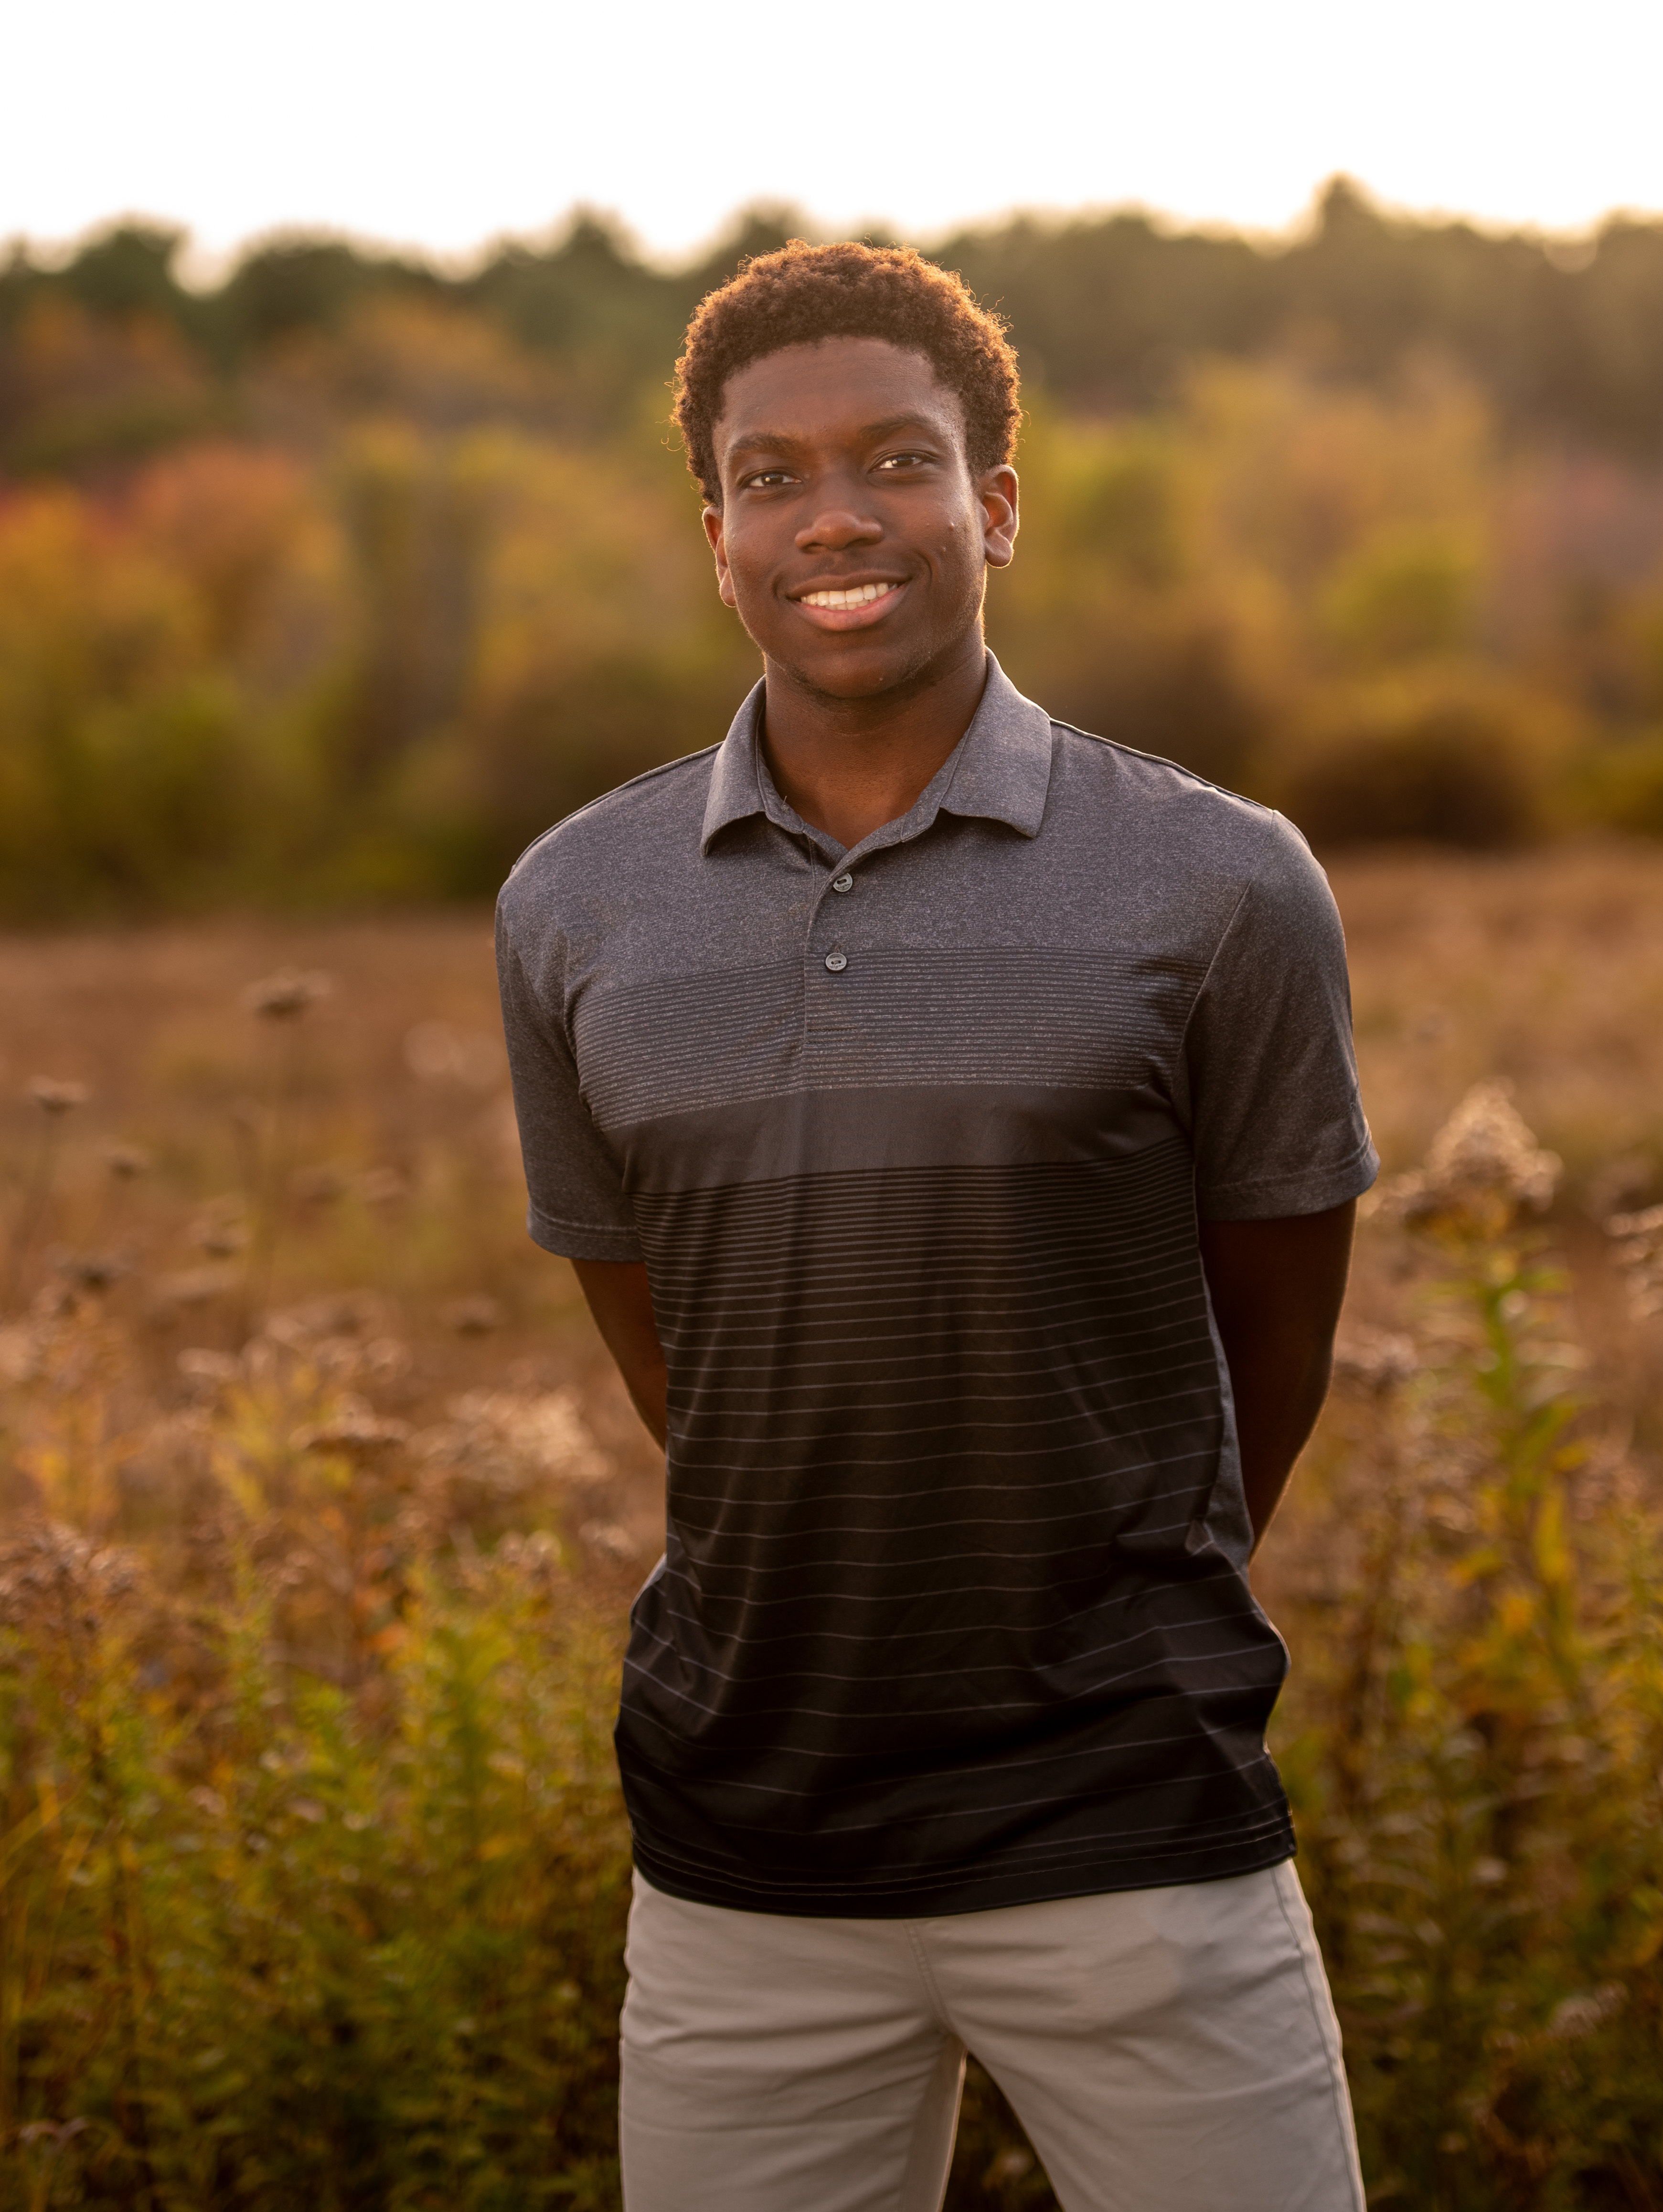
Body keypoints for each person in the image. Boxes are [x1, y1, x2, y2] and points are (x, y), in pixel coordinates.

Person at [496, 240, 1377, 2212]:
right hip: (745, 1863)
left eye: (897, 460)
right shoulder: (574, 907)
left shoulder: (1221, 884)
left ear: (992, 502)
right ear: (715, 528)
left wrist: (1089, 1603)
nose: (839, 517)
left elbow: (1277, 1347)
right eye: (777, 474)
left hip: (1138, 1839)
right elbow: (681, 1362)